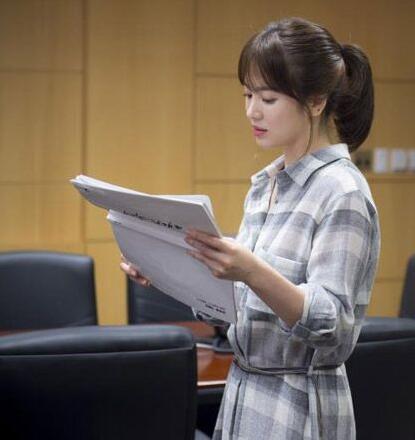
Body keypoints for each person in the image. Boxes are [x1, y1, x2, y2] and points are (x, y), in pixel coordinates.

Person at [121, 17, 380, 440]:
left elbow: (333, 327)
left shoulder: (342, 191)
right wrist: (168, 269)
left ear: (316, 101)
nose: (252, 111)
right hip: (245, 393)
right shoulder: (265, 186)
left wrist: (251, 271)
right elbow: (239, 308)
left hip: (299, 405)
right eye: (247, 94)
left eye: (268, 98)